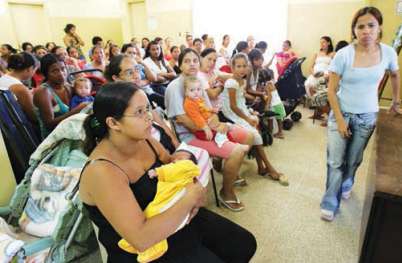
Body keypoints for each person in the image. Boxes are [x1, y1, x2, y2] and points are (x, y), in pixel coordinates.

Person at [79, 82, 257, 262]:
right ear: (113, 123)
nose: (150, 116)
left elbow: (172, 162)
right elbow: (141, 239)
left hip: (174, 217)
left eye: (148, 108)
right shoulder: (101, 171)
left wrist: (184, 163)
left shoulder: (144, 140)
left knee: (244, 244)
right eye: (139, 112)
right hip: (145, 249)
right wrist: (191, 197)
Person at [320, 6, 401, 221]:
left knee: (354, 160)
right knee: (335, 161)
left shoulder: (388, 52)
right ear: (354, 30)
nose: (366, 31)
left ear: (379, 28)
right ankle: (329, 202)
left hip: (367, 116)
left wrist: (395, 100)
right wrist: (339, 119)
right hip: (342, 113)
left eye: (371, 26)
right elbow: (331, 90)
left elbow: (394, 74)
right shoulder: (343, 54)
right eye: (360, 26)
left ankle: (347, 183)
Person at [165, 48, 254, 211]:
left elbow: (208, 108)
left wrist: (218, 123)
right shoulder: (174, 87)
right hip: (191, 136)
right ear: (179, 65)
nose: (192, 64)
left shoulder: (196, 82)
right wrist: (211, 128)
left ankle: (228, 169)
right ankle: (226, 193)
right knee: (238, 151)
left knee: (248, 136)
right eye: (187, 61)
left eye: (195, 60)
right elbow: (182, 119)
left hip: (207, 127)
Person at [221, 53, 288, 185]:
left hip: (241, 110)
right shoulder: (231, 82)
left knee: (256, 124)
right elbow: (233, 106)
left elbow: (241, 101)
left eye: (244, 66)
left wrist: (250, 111)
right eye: (238, 66)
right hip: (230, 113)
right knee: (255, 133)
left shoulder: (242, 81)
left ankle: (262, 167)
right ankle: (268, 167)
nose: (241, 69)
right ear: (232, 67)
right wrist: (247, 118)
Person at [33, 54, 88, 139]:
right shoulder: (43, 92)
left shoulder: (68, 87)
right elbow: (49, 125)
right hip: (54, 140)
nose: (61, 74)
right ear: (45, 74)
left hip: (71, 131)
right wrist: (77, 110)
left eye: (63, 69)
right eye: (55, 71)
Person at [183, 76, 237, 145]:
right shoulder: (189, 103)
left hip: (209, 122)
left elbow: (204, 108)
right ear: (185, 92)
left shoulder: (198, 99)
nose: (196, 92)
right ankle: (223, 141)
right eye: (192, 90)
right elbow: (196, 117)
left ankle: (232, 142)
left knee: (224, 128)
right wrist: (206, 128)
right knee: (222, 130)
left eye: (198, 89)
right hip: (202, 130)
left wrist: (212, 110)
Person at [0, 52, 37, 122]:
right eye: (34, 70)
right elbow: (34, 117)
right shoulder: (20, 88)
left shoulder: (3, 78)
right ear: (29, 69)